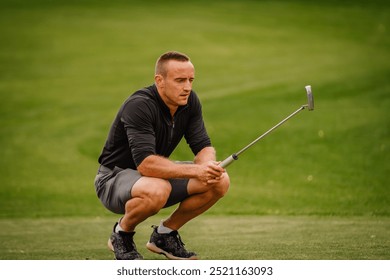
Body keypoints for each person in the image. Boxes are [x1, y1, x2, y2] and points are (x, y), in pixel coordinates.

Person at [94, 51, 230, 260]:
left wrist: (208, 167)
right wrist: (196, 170)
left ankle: (164, 235)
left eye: (190, 80)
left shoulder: (189, 101)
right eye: (180, 80)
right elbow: (146, 165)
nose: (187, 87)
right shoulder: (139, 105)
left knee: (218, 181)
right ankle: (121, 234)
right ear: (160, 80)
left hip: (151, 178)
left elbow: (203, 146)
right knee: (158, 188)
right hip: (112, 179)